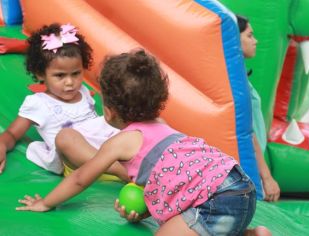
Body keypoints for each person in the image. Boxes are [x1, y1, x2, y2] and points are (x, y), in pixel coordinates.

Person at [16, 49, 271, 236]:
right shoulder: (164, 127)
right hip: (240, 187)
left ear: (109, 111)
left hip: (216, 198)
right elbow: (178, 184)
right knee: (207, 225)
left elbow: (81, 177)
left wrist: (45, 203)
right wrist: (145, 211)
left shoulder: (123, 141)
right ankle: (252, 234)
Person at [0, 23, 129, 182]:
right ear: (40, 74)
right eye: (60, 76)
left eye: (76, 73)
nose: (70, 82)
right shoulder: (38, 103)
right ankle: (118, 169)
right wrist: (2, 146)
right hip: (75, 160)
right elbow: (12, 133)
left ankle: (128, 161)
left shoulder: (82, 90)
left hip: (104, 148)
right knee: (67, 137)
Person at [236, 14, 281, 202]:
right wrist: (266, 177)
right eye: (249, 36)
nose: (256, 41)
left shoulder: (239, 75)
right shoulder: (237, 82)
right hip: (248, 166)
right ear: (233, 38)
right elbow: (247, 131)